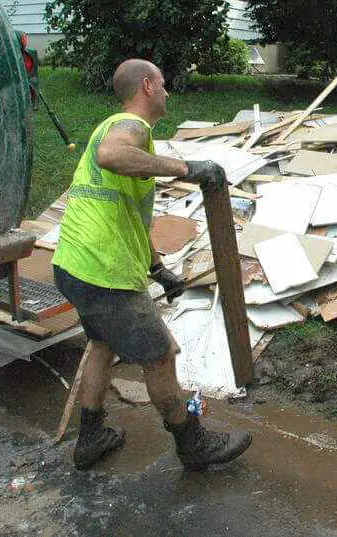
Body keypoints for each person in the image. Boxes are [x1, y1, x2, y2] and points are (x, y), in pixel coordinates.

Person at [52, 59, 253, 470]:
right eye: (162, 85)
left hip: (74, 264)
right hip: (105, 273)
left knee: (103, 345)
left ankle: (90, 439)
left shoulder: (120, 137)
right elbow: (111, 155)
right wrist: (188, 169)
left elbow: (129, 215)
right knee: (160, 356)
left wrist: (158, 269)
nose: (167, 92)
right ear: (146, 86)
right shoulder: (130, 129)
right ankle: (193, 446)